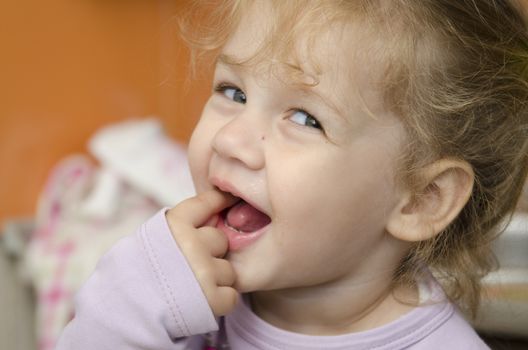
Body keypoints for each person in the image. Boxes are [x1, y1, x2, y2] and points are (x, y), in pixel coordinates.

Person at [56, 0, 528, 349]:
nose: (229, 141)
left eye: (305, 119)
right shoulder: (176, 305)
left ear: (421, 199)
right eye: (233, 92)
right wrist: (128, 302)